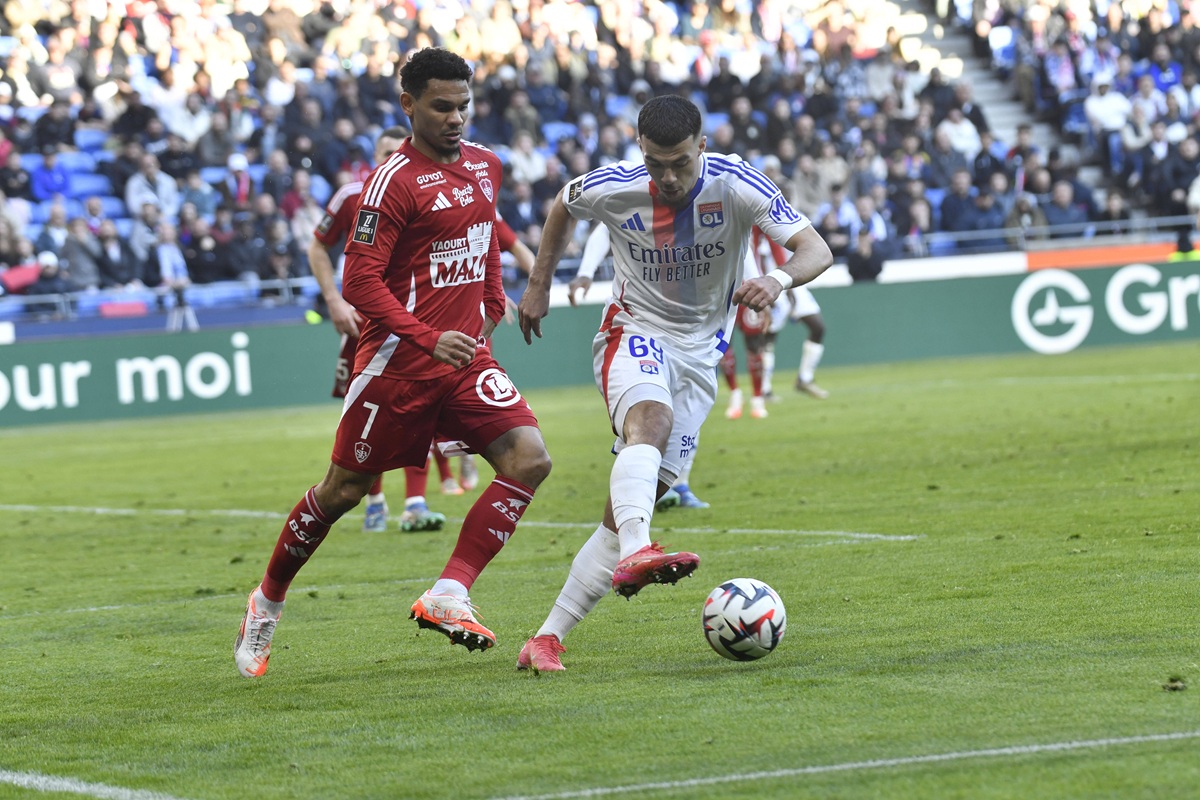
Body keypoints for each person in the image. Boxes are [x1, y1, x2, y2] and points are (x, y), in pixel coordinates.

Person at [235, 47, 552, 678]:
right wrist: (426, 336)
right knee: (342, 490)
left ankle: (450, 591)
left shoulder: (487, 165)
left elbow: (486, 232)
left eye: (464, 105)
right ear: (408, 105)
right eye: (442, 106)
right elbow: (361, 284)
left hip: (465, 359)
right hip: (394, 366)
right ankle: (266, 601)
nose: (456, 118)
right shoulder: (390, 183)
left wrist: (493, 294)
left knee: (530, 460)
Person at [516, 95, 832, 671]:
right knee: (650, 425)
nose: (666, 176)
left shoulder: (737, 183)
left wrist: (778, 279)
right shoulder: (614, 185)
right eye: (656, 162)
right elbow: (561, 205)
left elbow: (817, 249)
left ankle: (546, 637)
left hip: (700, 355)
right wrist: (539, 285)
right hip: (633, 328)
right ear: (640, 148)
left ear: (702, 148)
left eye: (680, 163)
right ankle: (640, 551)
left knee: (629, 507)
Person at [306, 124, 448, 533]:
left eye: (397, 151)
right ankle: (374, 500)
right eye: (385, 153)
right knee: (364, 412)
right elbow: (318, 245)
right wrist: (333, 298)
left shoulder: (427, 190)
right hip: (365, 322)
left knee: (424, 407)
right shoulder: (354, 196)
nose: (392, 160)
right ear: (374, 157)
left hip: (416, 320)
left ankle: (417, 502)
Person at [569, 221, 713, 512]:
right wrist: (585, 271)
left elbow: (742, 245)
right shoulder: (632, 191)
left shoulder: (721, 194)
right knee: (652, 416)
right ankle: (632, 516)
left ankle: (677, 484)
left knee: (686, 412)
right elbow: (604, 225)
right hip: (645, 324)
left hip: (696, 327)